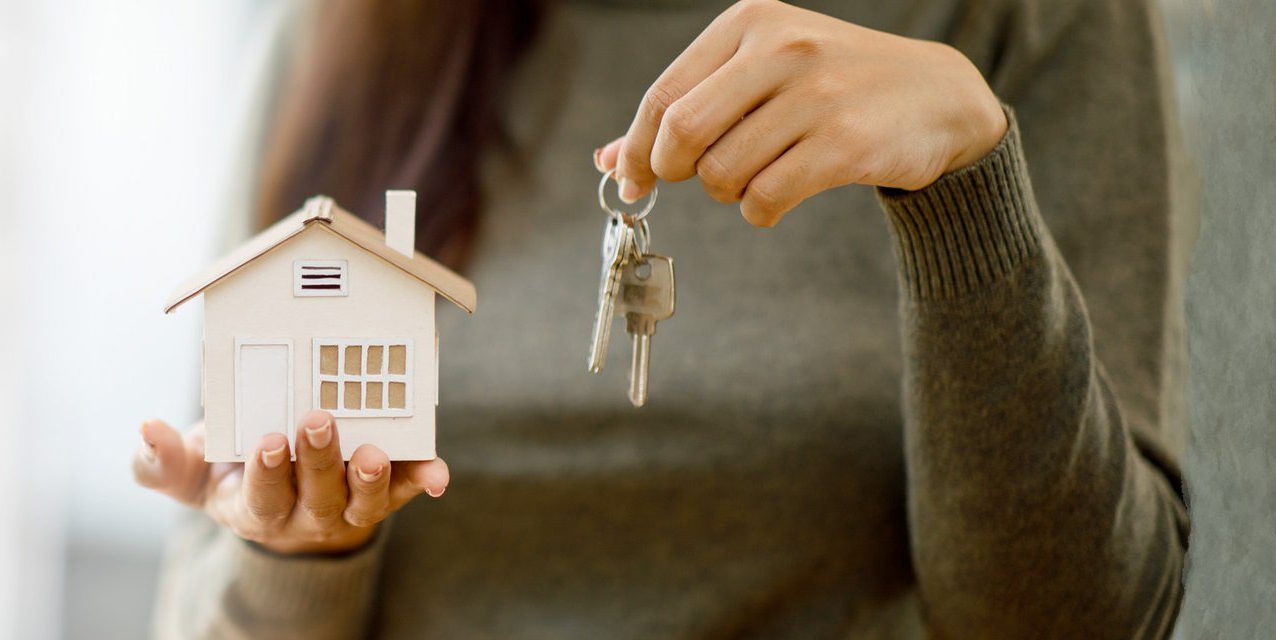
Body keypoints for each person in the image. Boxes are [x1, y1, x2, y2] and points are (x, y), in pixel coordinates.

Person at [132, 0, 1190, 637]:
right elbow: (203, 602)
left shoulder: (1026, 18)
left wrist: (965, 184)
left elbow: (1088, 618)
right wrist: (296, 555)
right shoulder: (352, 34)